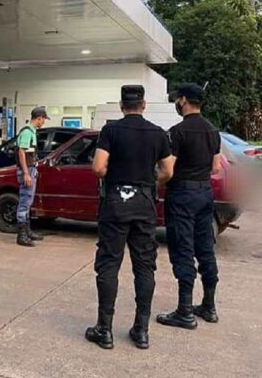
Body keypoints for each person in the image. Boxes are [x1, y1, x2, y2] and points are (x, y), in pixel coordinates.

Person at [85, 85, 174, 350]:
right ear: (144, 105)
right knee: (145, 266)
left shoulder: (110, 131)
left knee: (109, 263)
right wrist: (147, 184)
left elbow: (98, 168)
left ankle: (104, 329)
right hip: (145, 203)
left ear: (122, 106)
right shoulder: (158, 134)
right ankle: (141, 330)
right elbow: (168, 171)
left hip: (115, 203)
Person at [157, 83, 222, 330]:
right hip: (205, 192)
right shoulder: (212, 131)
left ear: (183, 100)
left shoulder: (177, 132)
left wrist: (157, 182)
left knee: (183, 248)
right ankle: (209, 306)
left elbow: (167, 170)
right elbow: (216, 167)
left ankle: (184, 312)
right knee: (205, 247)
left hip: (182, 194)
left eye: (178, 99)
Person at [15, 107, 50, 247]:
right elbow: (21, 153)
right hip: (27, 169)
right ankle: (21, 235)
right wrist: (26, 173)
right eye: (43, 119)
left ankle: (27, 231)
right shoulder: (27, 133)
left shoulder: (31, 132)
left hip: (30, 169)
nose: (44, 122)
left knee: (28, 202)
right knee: (24, 202)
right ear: (39, 117)